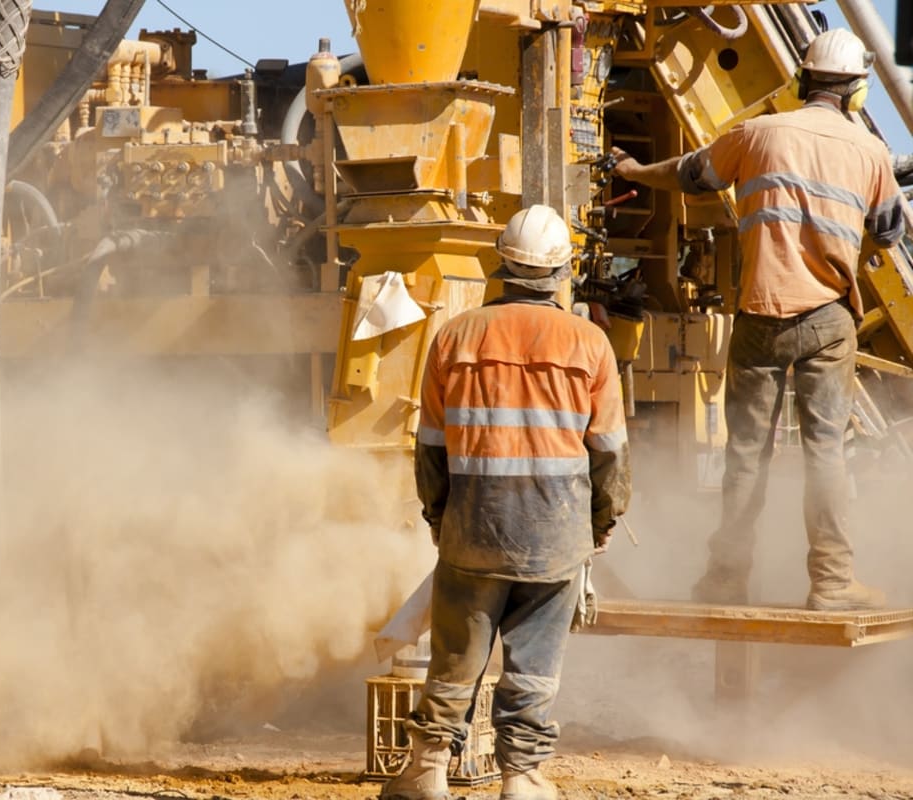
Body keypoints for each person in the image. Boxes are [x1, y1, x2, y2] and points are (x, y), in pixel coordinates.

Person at [612, 28, 904, 611]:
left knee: (746, 454)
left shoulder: (756, 134)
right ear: (855, 93)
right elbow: (891, 229)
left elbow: (691, 174)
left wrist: (635, 170)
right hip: (827, 319)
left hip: (759, 315)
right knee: (827, 453)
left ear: (803, 80)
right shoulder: (870, 151)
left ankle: (724, 578)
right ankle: (831, 582)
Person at [381, 204, 631, 800]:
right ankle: (521, 777)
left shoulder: (455, 336)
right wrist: (601, 521)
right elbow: (611, 452)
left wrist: (441, 519)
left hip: (472, 528)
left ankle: (427, 771)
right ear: (561, 271)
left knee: (455, 659)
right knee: (534, 666)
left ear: (503, 264)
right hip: (555, 533)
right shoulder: (590, 343)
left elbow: (431, 447)